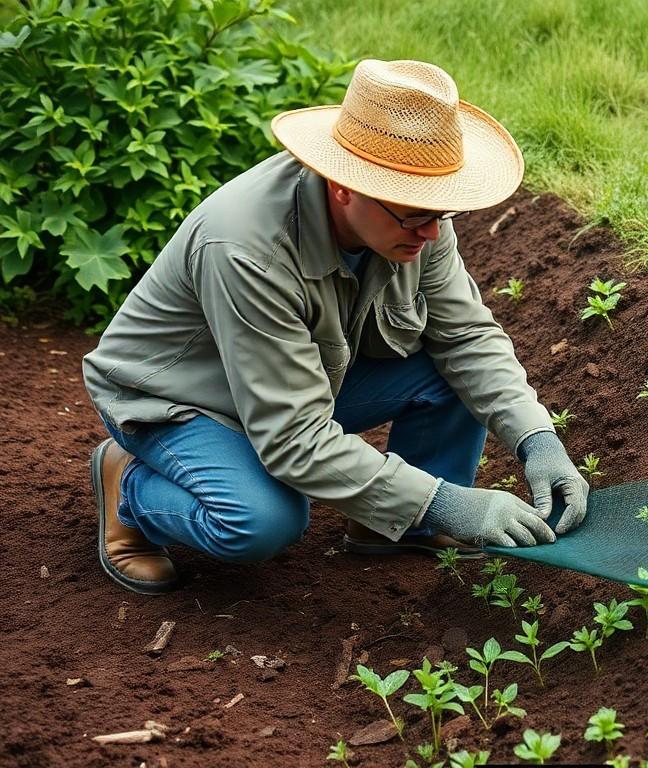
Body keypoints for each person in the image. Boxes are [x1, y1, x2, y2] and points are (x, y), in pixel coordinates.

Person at [82, 59, 588, 595]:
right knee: (262, 522)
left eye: (443, 214)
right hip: (177, 399)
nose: (433, 235)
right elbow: (293, 437)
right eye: (417, 216)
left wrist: (537, 439)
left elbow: (466, 336)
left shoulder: (417, 217)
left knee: (450, 370)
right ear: (346, 188)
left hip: (293, 383)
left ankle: (396, 525)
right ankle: (127, 489)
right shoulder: (246, 248)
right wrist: (444, 501)